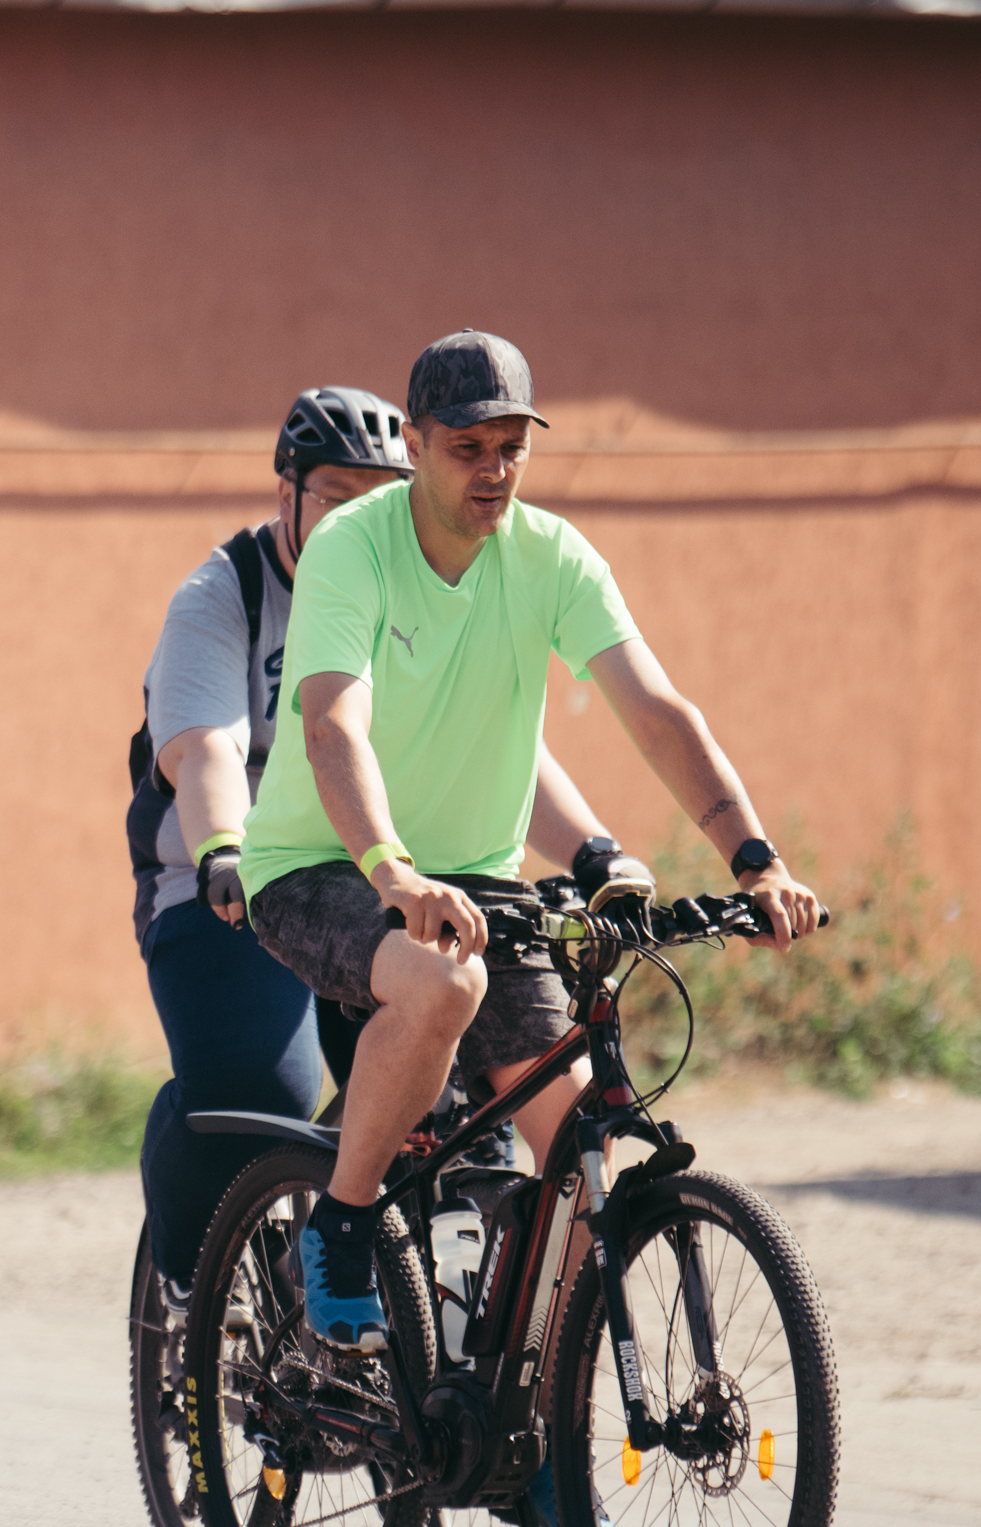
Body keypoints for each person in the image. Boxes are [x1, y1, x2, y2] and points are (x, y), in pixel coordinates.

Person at [240, 331, 824, 1352]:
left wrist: (755, 859)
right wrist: (395, 871)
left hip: (477, 886)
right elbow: (332, 723)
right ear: (416, 443)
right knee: (440, 985)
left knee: (582, 1156)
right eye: (469, 447)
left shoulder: (551, 556)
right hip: (322, 866)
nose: (495, 470)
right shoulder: (353, 547)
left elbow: (656, 711)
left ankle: (534, 1428)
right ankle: (337, 1225)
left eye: (513, 446)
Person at [130, 386, 628, 1306]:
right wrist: (225, 852)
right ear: (286, 493)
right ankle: (194, 1282)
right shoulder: (224, 595)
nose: (358, 512)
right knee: (253, 1097)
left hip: (384, 869)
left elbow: (508, 751)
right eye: (333, 492)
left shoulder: (421, 569)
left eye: (376, 491)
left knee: (464, 1101)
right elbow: (205, 749)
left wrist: (595, 850)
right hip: (230, 872)